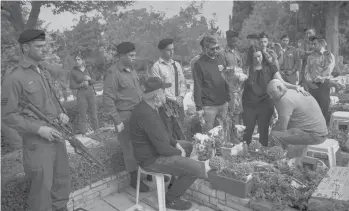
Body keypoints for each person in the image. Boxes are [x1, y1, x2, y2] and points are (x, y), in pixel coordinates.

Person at [1, 29, 71, 211]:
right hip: (37, 143)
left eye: (44, 45)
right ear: (25, 47)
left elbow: (49, 103)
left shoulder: (43, 72)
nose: (44, 49)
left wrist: (59, 115)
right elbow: (8, 115)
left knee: (61, 181)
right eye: (39, 46)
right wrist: (39, 129)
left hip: (56, 134)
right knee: (42, 190)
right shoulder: (14, 77)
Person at [129, 77, 205, 210]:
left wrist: (176, 144)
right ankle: (171, 200)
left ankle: (175, 182)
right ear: (157, 95)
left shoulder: (150, 107)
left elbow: (164, 133)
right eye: (163, 91)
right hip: (151, 159)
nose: (166, 93)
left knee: (187, 145)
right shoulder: (146, 114)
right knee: (197, 169)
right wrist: (178, 152)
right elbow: (162, 148)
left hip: (156, 151)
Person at [103, 42, 150, 192]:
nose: (134, 58)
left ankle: (147, 172)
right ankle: (134, 180)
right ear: (121, 56)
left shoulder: (131, 71)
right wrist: (117, 121)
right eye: (131, 56)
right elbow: (108, 100)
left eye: (134, 55)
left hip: (138, 115)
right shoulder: (113, 74)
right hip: (124, 117)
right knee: (129, 147)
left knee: (143, 144)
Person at [242, 46, 308, 146]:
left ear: (262, 55)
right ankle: (245, 152)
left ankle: (262, 153)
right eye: (254, 58)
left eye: (259, 56)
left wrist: (295, 87)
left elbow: (281, 82)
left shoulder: (270, 67)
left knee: (263, 131)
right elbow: (240, 85)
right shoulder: (247, 69)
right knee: (248, 131)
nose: (257, 60)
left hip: (265, 103)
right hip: (249, 104)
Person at [267, 79, 327, 156]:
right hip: (319, 132)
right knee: (284, 131)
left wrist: (273, 129)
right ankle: (284, 155)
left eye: (272, 93)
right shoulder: (293, 92)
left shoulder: (285, 99)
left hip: (314, 136)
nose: (271, 97)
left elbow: (282, 128)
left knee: (274, 135)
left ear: (279, 88)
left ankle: (278, 159)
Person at [150, 38, 187, 140]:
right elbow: (159, 88)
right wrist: (175, 99)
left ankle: (184, 152)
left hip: (179, 103)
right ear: (161, 50)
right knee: (169, 132)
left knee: (181, 131)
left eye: (173, 49)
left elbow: (183, 83)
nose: (171, 52)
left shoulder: (177, 65)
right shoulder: (156, 67)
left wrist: (181, 96)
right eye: (168, 50)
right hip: (166, 105)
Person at [192, 34, 230, 131]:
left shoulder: (220, 59)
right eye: (212, 49)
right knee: (208, 135)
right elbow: (197, 85)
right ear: (205, 48)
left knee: (224, 133)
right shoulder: (199, 64)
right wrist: (199, 107)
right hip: (208, 105)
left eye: (217, 48)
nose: (216, 51)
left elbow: (225, 79)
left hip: (223, 103)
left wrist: (228, 98)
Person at [304, 35, 335, 122]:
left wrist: (318, 78)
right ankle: (314, 130)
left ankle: (323, 130)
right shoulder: (310, 57)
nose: (312, 46)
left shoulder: (328, 55)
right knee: (313, 108)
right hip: (312, 85)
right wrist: (309, 81)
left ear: (321, 43)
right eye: (311, 44)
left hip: (323, 84)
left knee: (323, 107)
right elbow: (307, 70)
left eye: (315, 44)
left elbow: (328, 70)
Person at [69, 52, 99, 135]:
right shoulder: (73, 71)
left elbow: (94, 81)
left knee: (94, 115)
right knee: (82, 115)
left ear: (83, 60)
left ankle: (97, 132)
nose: (77, 61)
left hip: (91, 93)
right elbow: (71, 85)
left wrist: (89, 79)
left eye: (79, 59)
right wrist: (81, 84)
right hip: (81, 94)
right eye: (76, 60)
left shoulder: (88, 69)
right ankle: (84, 133)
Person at [220, 30, 244, 123]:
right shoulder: (223, 53)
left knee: (238, 111)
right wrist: (232, 69)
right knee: (230, 113)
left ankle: (237, 135)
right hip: (228, 88)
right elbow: (221, 69)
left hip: (238, 87)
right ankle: (230, 135)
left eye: (236, 40)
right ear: (228, 39)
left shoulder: (237, 53)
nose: (235, 42)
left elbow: (241, 67)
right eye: (232, 40)